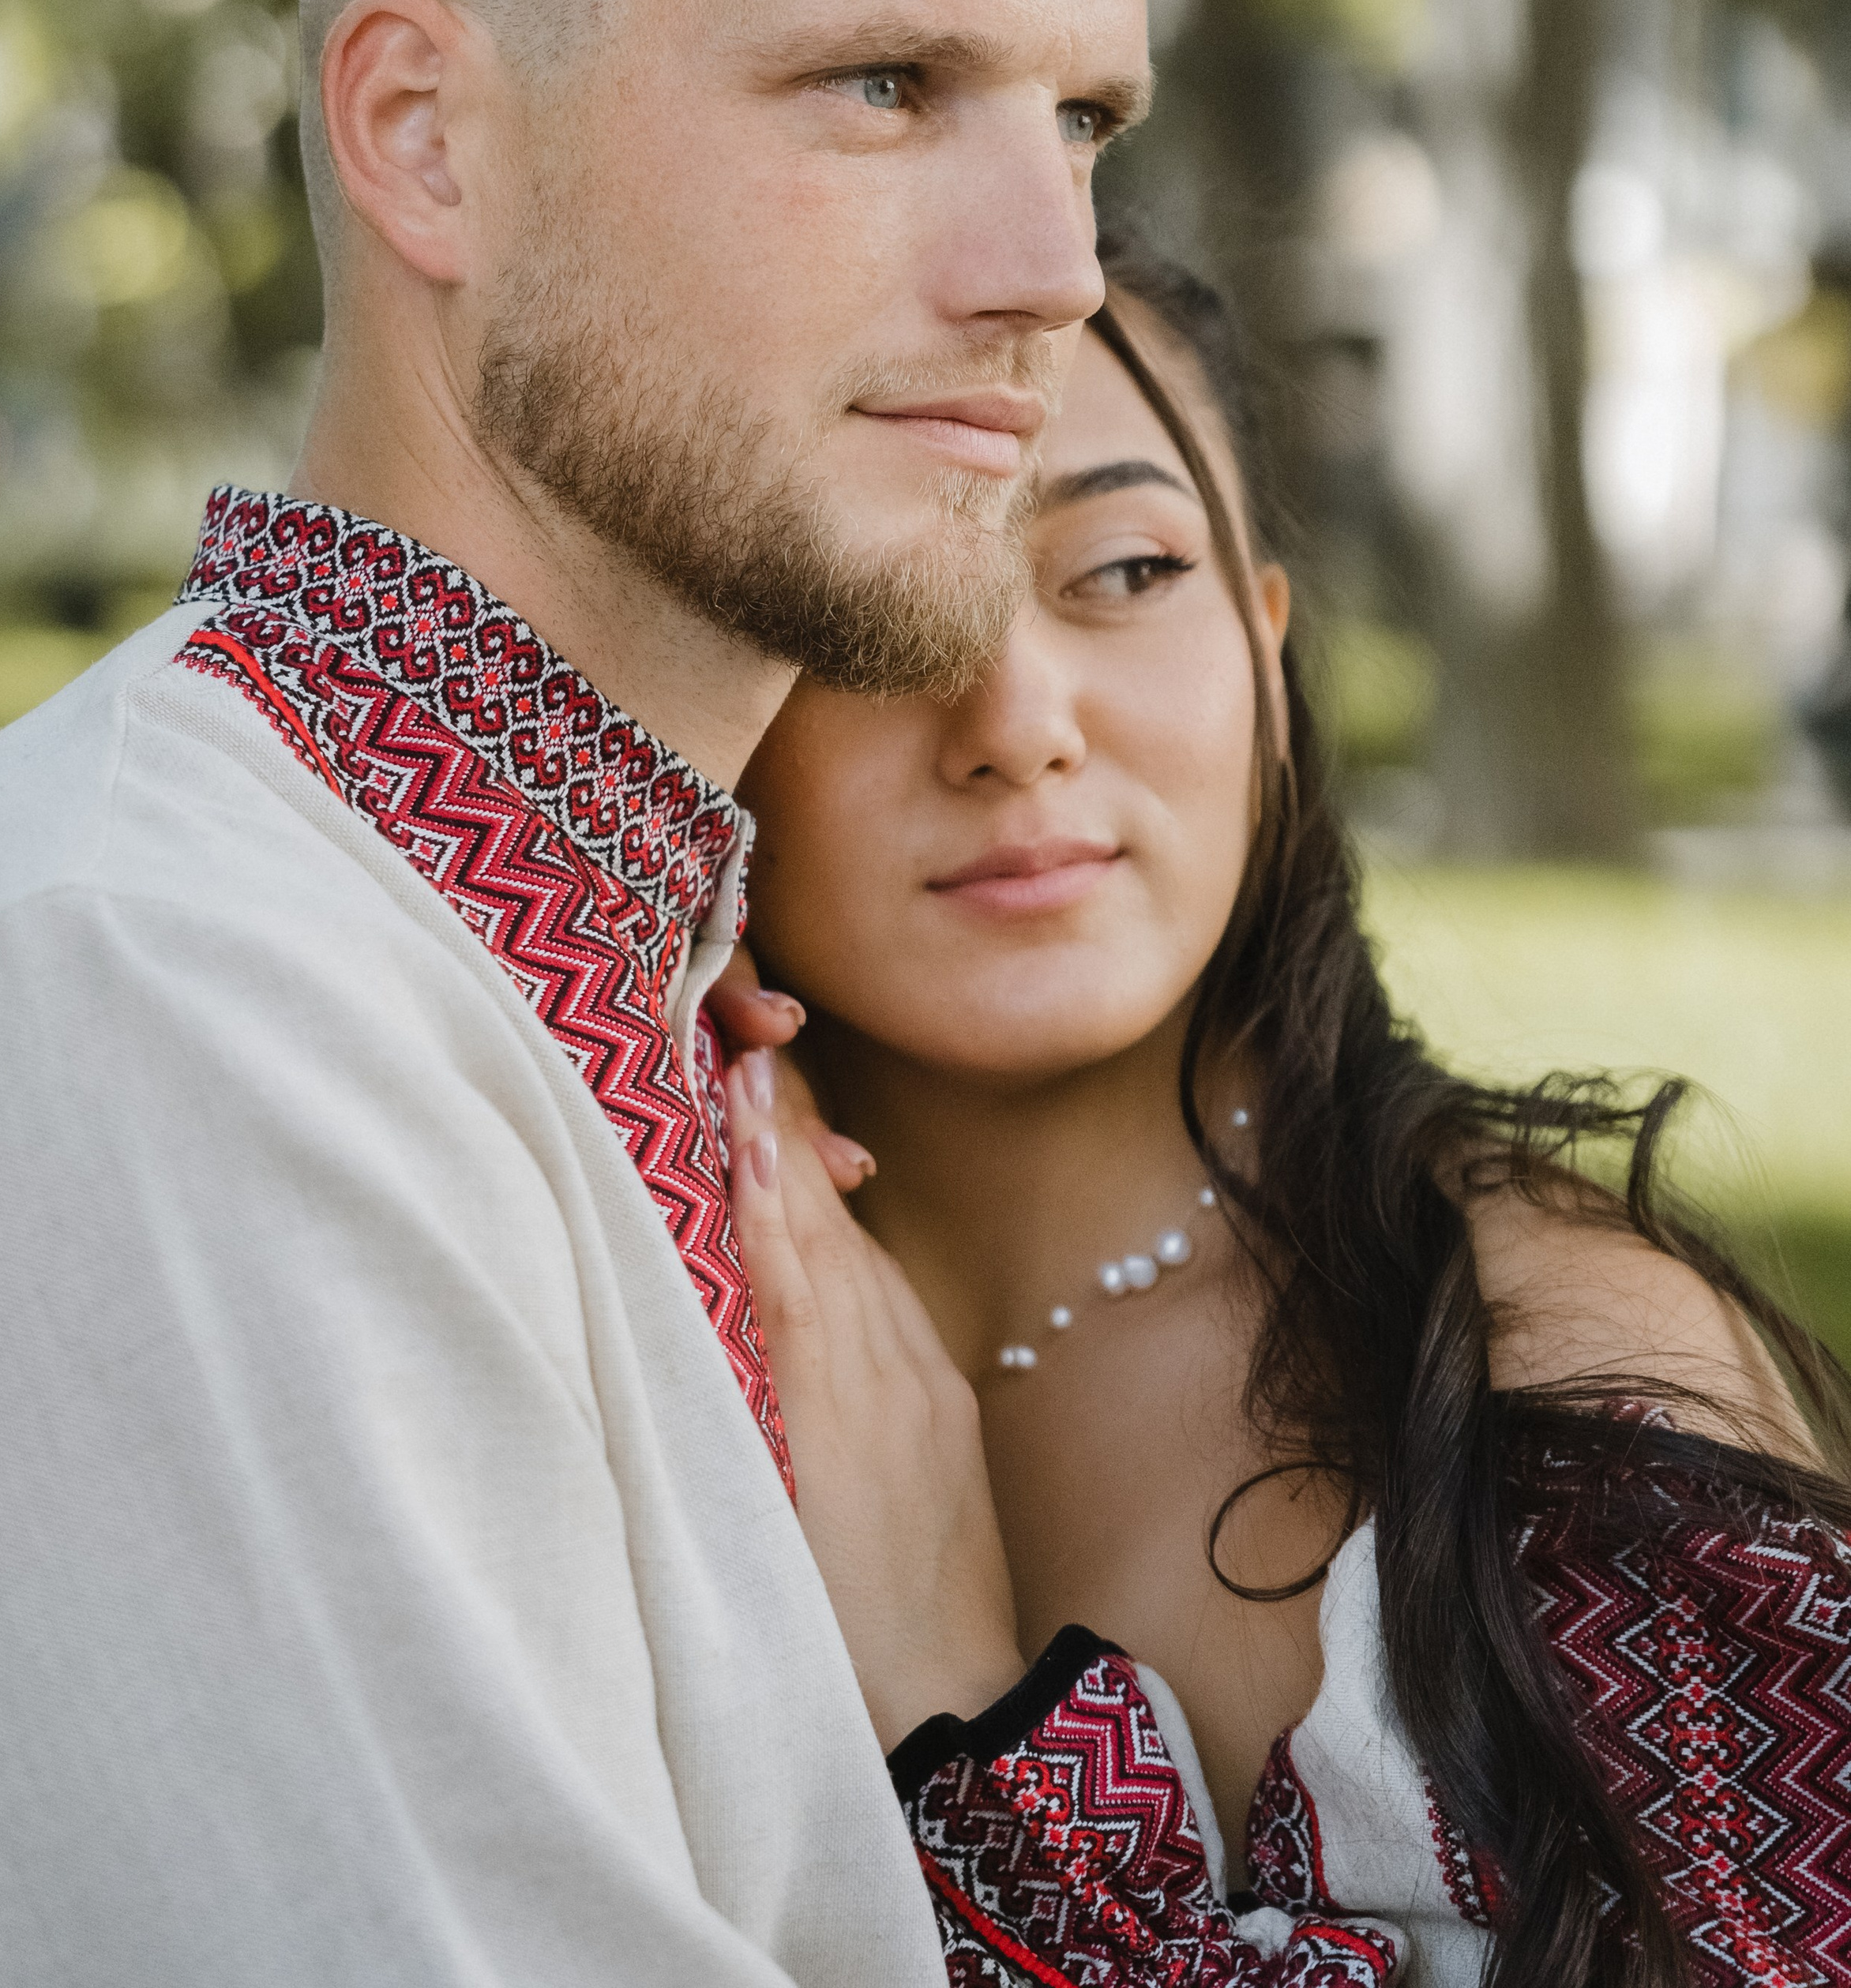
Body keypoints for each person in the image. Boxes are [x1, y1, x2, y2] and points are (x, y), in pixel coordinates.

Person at [0, 0, 1159, 1984]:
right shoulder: (151, 1007)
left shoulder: (619, 977)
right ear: (426, 135)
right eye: (886, 83)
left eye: (1086, 117)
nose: (1052, 268)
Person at [718, 227, 1851, 1988]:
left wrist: (971, 1738)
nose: (1013, 722)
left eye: (1121, 569)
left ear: (1260, 642)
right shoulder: (601, 1317)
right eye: (881, 606)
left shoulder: (1545, 1381)